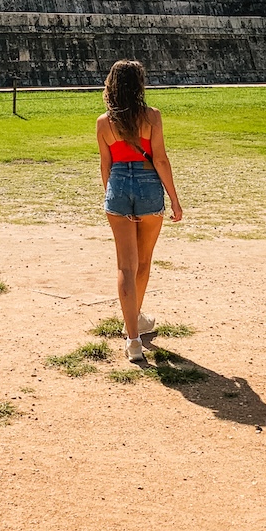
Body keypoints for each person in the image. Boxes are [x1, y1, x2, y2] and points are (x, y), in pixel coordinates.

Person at [96, 59, 183, 363]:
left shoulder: (103, 122)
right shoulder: (152, 117)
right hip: (148, 186)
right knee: (143, 262)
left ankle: (133, 338)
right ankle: (134, 319)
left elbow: (105, 166)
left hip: (118, 184)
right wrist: (174, 198)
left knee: (125, 266)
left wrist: (115, 195)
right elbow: (160, 160)